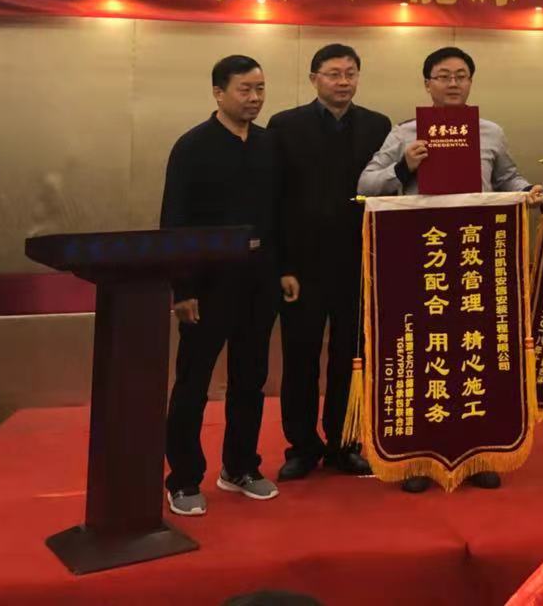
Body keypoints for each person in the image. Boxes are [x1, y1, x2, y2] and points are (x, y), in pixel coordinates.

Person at [358, 46, 543, 493]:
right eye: (443, 76)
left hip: (477, 257)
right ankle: (418, 458)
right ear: (427, 84)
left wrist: (529, 191)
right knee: (426, 354)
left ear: (471, 82)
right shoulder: (404, 133)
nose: (453, 83)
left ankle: (479, 453)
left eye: (461, 75)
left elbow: (507, 179)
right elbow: (365, 183)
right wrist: (404, 166)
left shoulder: (490, 132)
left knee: (477, 351)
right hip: (422, 258)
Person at [161, 55, 284, 517]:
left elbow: (280, 214)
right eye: (244, 89)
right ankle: (183, 478)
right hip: (208, 283)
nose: (254, 98)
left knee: (250, 379)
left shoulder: (269, 145)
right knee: (193, 382)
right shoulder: (192, 146)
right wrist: (182, 290)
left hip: (258, 279)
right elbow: (174, 220)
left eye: (260, 89)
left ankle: (239, 467)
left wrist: (282, 270)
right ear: (218, 92)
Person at [269, 44, 392, 482]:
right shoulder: (285, 126)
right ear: (314, 79)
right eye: (333, 74)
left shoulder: (378, 126)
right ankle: (302, 446)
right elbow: (274, 199)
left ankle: (345, 443)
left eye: (350, 73)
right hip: (302, 268)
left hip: (359, 263)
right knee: (300, 358)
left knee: (352, 358)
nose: (343, 82)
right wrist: (282, 265)